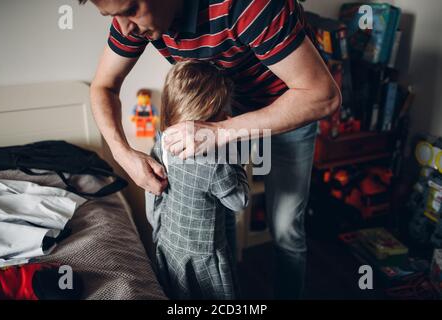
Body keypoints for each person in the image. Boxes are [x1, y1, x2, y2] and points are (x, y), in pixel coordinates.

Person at [84, 0, 341, 299]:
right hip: (226, 115)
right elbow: (103, 86)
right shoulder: (132, 20)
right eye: (112, 15)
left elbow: (324, 97)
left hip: (294, 110)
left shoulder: (251, 6)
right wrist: (123, 154)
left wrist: (220, 132)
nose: (124, 26)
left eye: (130, 10)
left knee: (285, 229)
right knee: (221, 217)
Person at [145, 60, 249, 300]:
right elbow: (239, 201)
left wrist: (159, 232)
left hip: (168, 244)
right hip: (204, 255)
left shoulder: (161, 144)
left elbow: (152, 195)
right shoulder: (216, 163)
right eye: (224, 113)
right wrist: (237, 161)